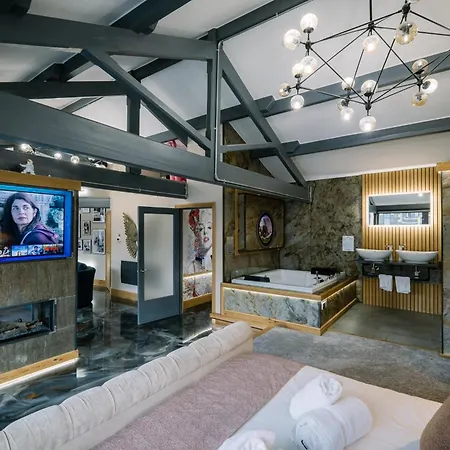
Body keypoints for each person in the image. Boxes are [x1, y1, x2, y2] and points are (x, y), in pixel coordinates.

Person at [186, 208, 213, 273]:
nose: (205, 232)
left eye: (209, 227)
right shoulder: (193, 266)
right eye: (201, 228)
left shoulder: (219, 259)